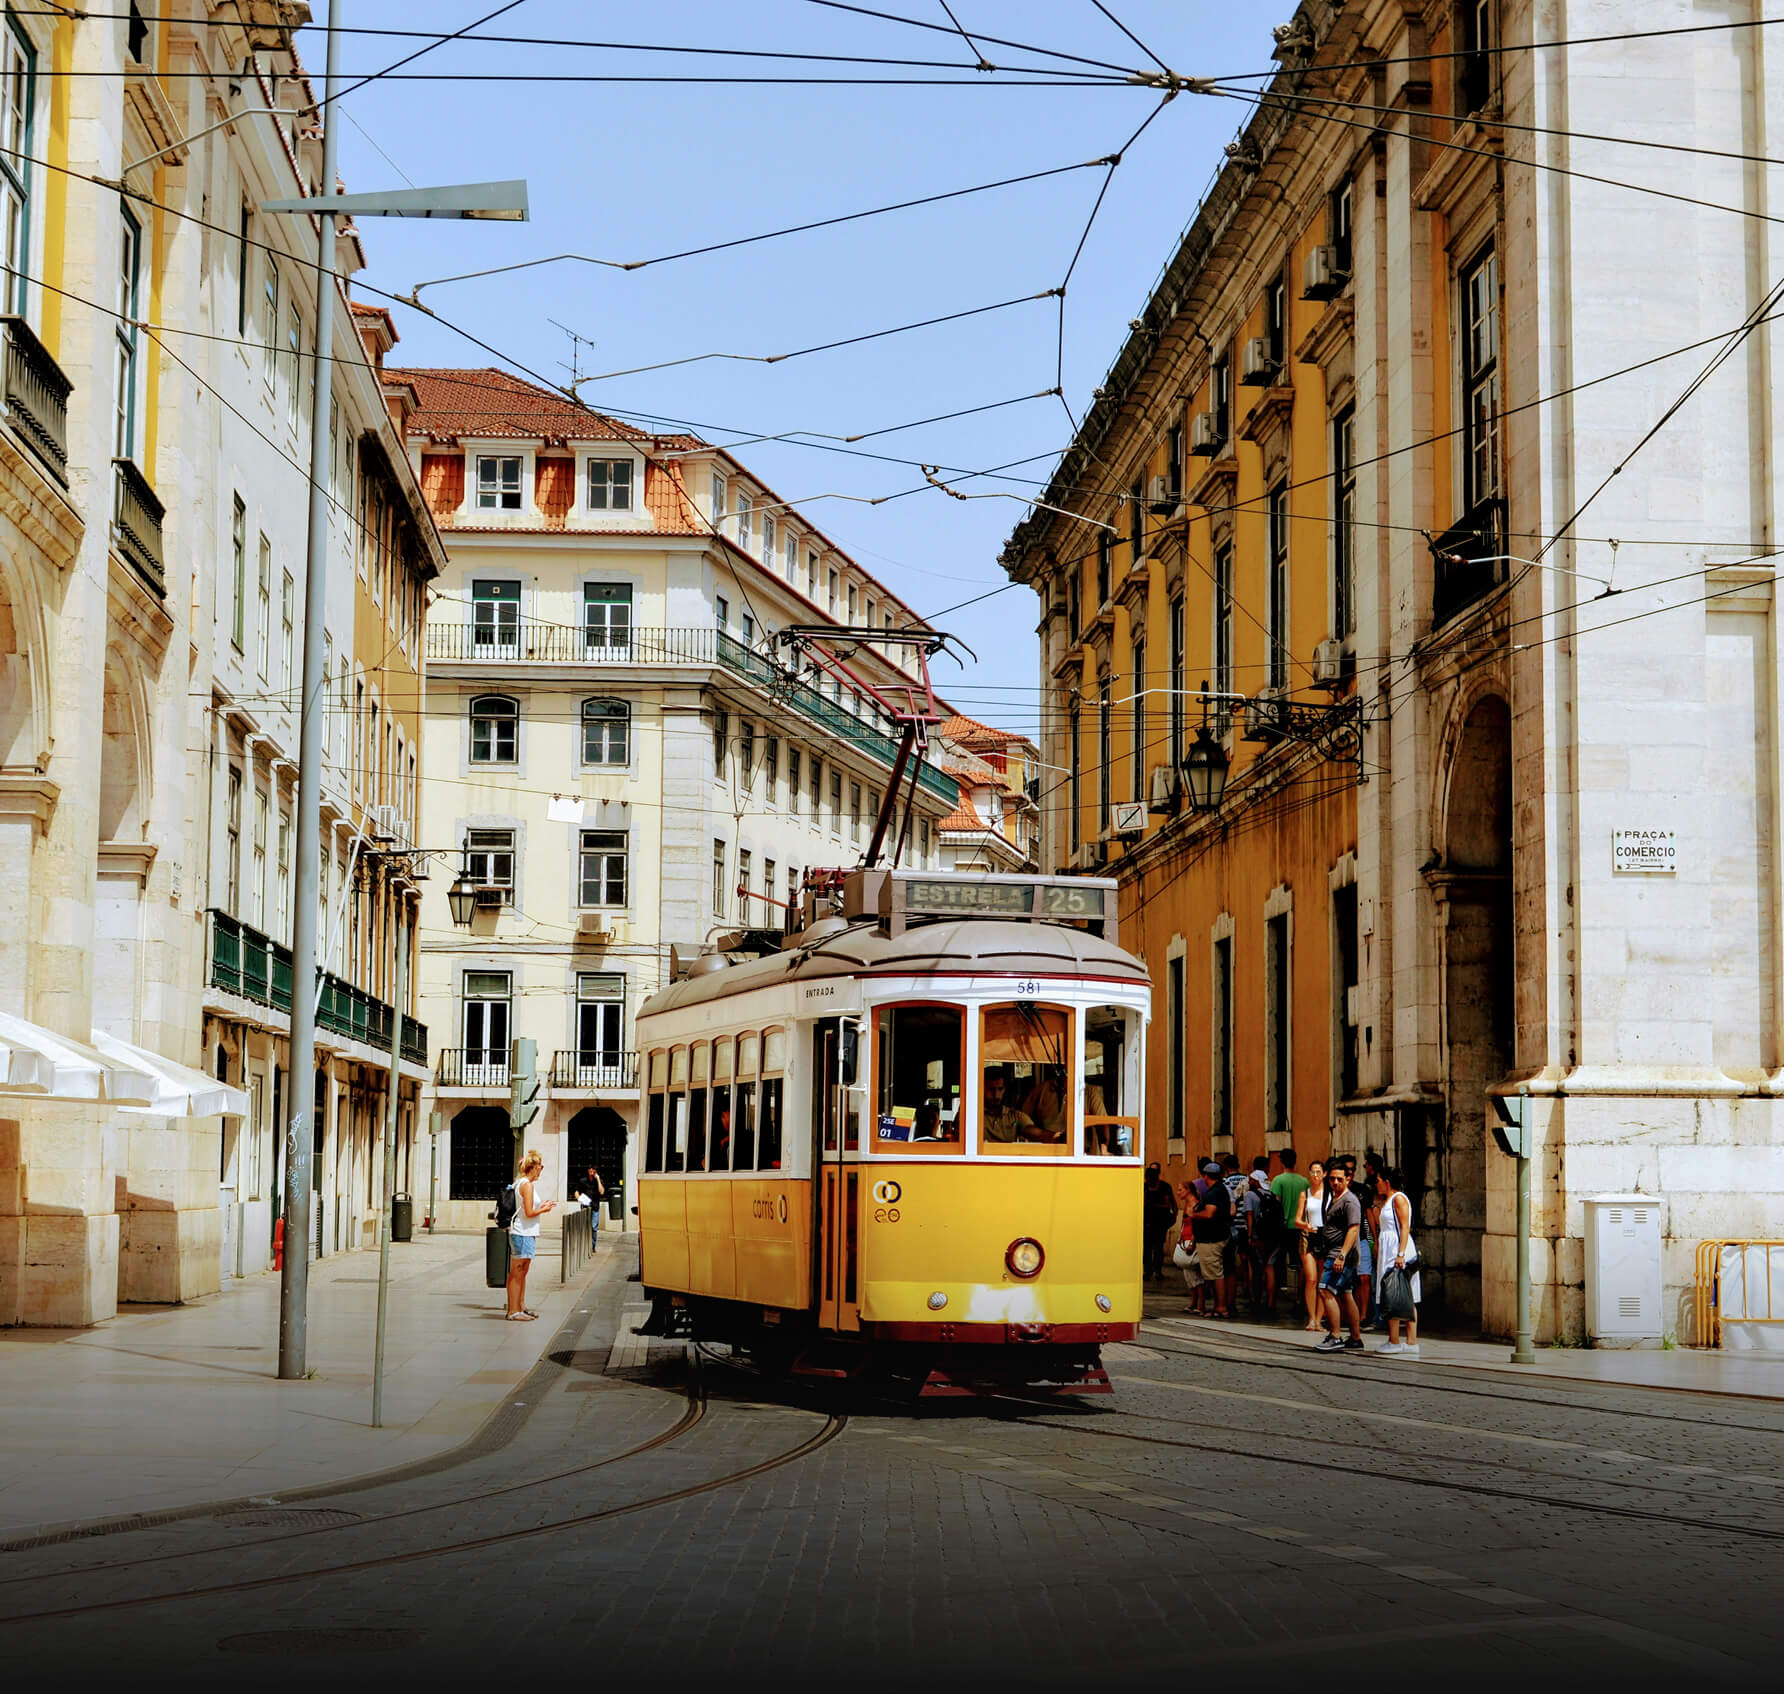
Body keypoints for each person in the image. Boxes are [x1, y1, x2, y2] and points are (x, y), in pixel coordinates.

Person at [1313, 1164, 1364, 1352]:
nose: (1335, 1182)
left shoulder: (1350, 1201)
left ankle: (1335, 1336)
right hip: (1336, 1253)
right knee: (1346, 1293)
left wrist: (1341, 1255)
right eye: (1332, 1178)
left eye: (1339, 1179)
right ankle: (1356, 1338)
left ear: (1348, 1179)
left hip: (1340, 1255)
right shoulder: (1335, 1197)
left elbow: (1353, 1229)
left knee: (1326, 1291)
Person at [1375, 1167, 1421, 1357]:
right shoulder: (1387, 1201)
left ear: (1387, 1181)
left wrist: (1400, 1254)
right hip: (1390, 1249)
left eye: (1378, 1180)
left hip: (1397, 1250)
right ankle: (1399, 1340)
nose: (1376, 1184)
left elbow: (1404, 1227)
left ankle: (1401, 1340)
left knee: (1396, 1292)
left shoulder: (1398, 1199)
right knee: (1397, 1294)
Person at [507, 1150, 555, 1321]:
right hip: (523, 1232)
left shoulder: (521, 1183)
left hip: (526, 1232)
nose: (541, 1169)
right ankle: (513, 1311)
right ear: (533, 1167)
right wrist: (545, 1209)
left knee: (522, 1272)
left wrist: (542, 1205)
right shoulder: (527, 1185)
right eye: (540, 1166)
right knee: (517, 1272)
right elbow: (528, 1212)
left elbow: (526, 1208)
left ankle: (520, 1307)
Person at [1181, 1159, 1231, 1317]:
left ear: (1206, 1176)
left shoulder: (1214, 1192)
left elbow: (1209, 1213)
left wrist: (1194, 1214)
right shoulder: (1220, 1189)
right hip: (1216, 1236)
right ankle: (1217, 1306)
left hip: (1212, 1239)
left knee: (1215, 1274)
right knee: (1214, 1273)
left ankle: (1221, 1307)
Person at [1270, 1150, 1310, 1311]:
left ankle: (1272, 1301)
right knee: (1300, 1264)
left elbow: (1275, 1204)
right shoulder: (1304, 1181)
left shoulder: (1278, 1181)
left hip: (1282, 1227)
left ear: (1281, 1161)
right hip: (1299, 1227)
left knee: (1272, 1263)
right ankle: (1300, 1299)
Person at [1295, 1160, 1326, 1330]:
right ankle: (1312, 1318)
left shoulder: (1329, 1194)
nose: (1315, 1175)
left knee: (1322, 1281)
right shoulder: (1304, 1194)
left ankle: (1320, 1320)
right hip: (1309, 1237)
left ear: (1324, 1174)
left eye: (1319, 1172)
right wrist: (1305, 1225)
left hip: (1325, 1237)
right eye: (1313, 1172)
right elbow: (1297, 1219)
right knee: (1311, 1279)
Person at [1142, 1162, 1178, 1280]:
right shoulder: (1144, 1187)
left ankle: (1157, 1270)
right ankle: (1148, 1270)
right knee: (1147, 1247)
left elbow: (1170, 1203)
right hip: (1147, 1220)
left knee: (1158, 1246)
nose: (1149, 1181)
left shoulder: (1164, 1187)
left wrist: (1173, 1214)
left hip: (1160, 1221)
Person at [981, 1068, 1036, 1143]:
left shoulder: (1014, 1116)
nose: (996, 1095)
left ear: (1005, 1089)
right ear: (981, 1088)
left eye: (1000, 1089)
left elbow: (1033, 1131)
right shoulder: (972, 1116)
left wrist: (1053, 1137)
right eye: (991, 1089)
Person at [574, 1164, 606, 1249]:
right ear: (588, 1170)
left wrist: (598, 1179)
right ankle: (584, 1245)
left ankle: (592, 1245)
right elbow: (576, 1191)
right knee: (584, 1227)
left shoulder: (599, 1181)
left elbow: (602, 1192)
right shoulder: (583, 1181)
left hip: (595, 1207)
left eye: (593, 1169)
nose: (591, 1170)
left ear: (596, 1171)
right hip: (585, 1207)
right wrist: (579, 1198)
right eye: (589, 1169)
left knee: (593, 1227)